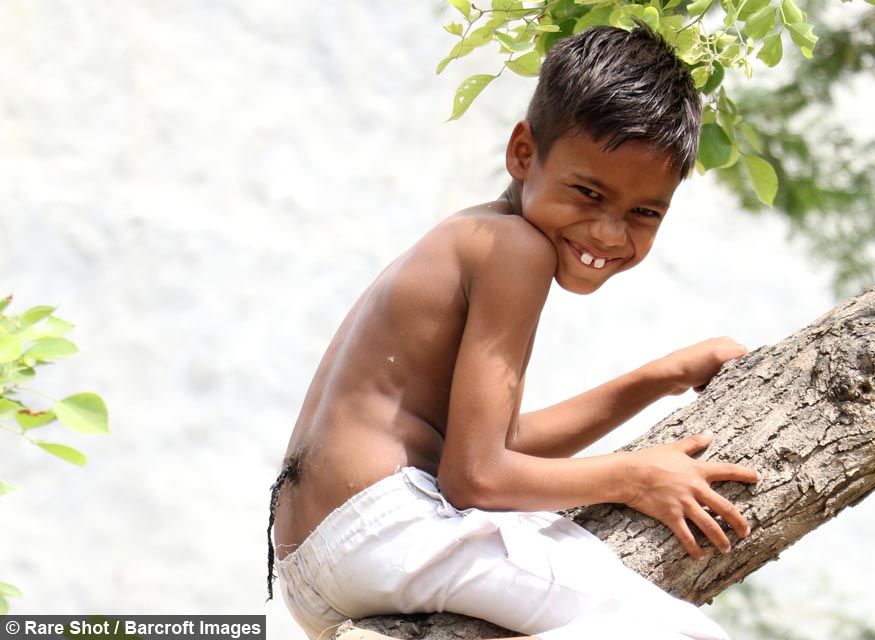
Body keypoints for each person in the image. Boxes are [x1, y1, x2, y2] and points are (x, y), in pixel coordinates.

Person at [267, 23, 760, 640]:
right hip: (384, 531)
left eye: (643, 212)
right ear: (523, 152)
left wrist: (655, 379)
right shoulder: (516, 251)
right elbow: (476, 478)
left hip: (322, 560)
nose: (610, 233)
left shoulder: (474, 235)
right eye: (588, 192)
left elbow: (492, 447)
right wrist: (637, 475)